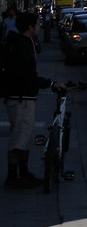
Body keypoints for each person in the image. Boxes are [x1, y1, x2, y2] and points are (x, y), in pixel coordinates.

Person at [2, 12, 57, 187]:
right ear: (30, 26)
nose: (40, 26)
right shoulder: (21, 45)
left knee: (24, 136)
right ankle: (13, 176)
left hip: (21, 96)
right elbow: (25, 74)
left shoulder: (22, 42)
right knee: (19, 137)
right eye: (38, 23)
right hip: (20, 97)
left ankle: (23, 172)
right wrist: (50, 83)